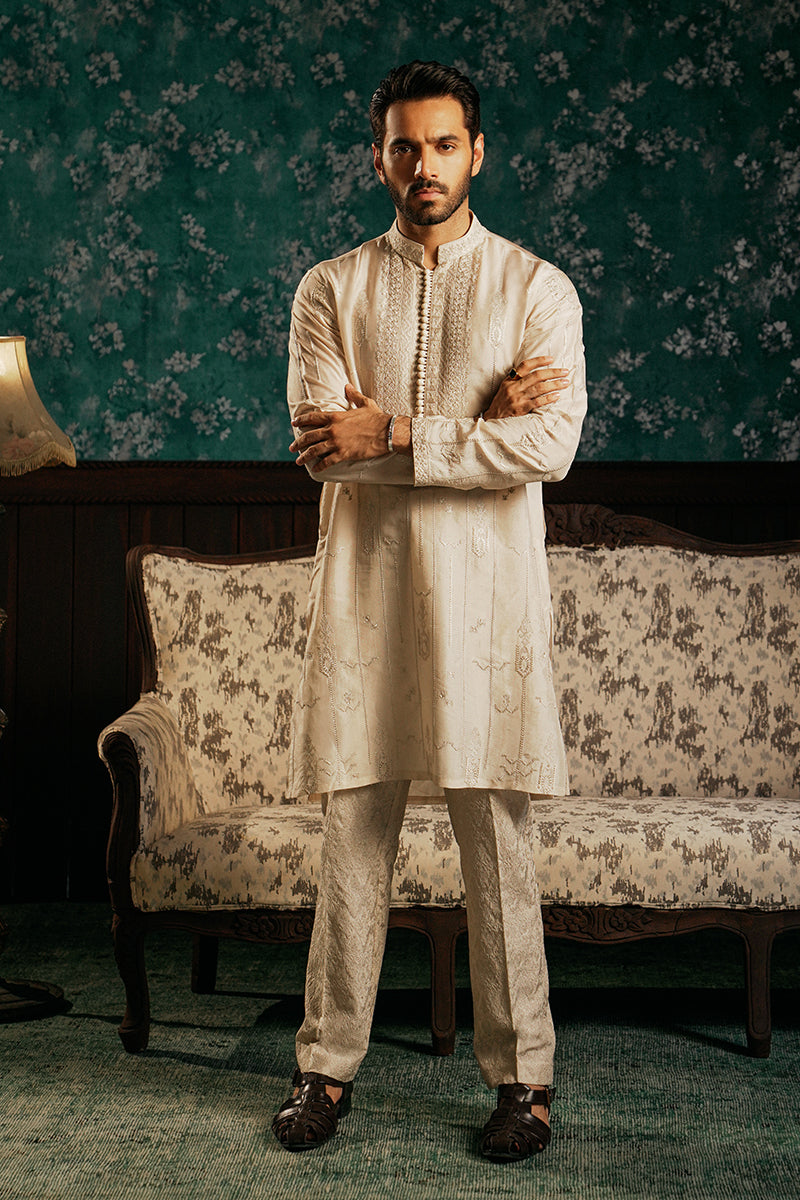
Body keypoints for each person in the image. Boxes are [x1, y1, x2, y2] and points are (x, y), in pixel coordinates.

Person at [271, 60, 587, 1162]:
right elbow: (325, 449)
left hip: (488, 611)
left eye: (444, 145)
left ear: (476, 153)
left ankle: (524, 1082)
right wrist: (478, 422)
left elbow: (549, 446)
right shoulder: (329, 290)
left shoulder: (536, 289)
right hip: (365, 602)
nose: (424, 166)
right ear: (379, 157)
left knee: (498, 848)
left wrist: (399, 429)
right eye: (404, 146)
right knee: (351, 839)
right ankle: (324, 1070)